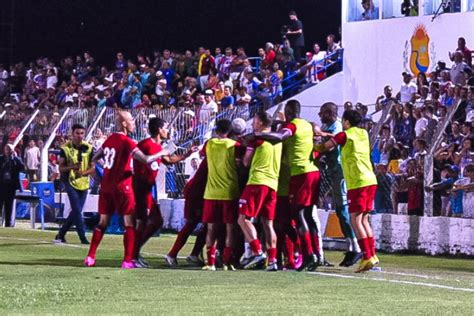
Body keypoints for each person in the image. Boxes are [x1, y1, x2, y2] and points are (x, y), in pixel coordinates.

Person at [84, 111, 169, 269]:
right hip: (123, 187)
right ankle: (128, 260)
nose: (134, 123)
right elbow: (145, 159)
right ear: (124, 123)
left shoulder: (110, 139)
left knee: (102, 223)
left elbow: (95, 157)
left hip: (106, 186)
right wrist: (162, 152)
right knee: (129, 224)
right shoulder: (127, 141)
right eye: (131, 120)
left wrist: (107, 168)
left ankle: (90, 257)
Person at [256, 100, 321, 271]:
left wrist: (258, 135)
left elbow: (280, 137)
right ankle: (315, 254)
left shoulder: (293, 126)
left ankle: (308, 255)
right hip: (313, 171)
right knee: (307, 216)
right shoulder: (307, 125)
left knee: (298, 216)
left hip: (301, 174)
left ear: (290, 111)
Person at [315, 110, 379, 273]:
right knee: (364, 219)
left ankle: (366, 256)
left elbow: (325, 147)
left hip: (357, 181)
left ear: (346, 122)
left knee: (355, 219)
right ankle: (372, 255)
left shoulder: (345, 135)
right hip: (370, 179)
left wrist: (313, 143)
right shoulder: (363, 133)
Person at [133, 117, 197, 267]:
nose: (168, 130)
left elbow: (167, 160)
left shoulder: (155, 146)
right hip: (140, 188)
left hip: (147, 188)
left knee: (156, 221)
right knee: (143, 222)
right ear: (159, 130)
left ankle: (134, 253)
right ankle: (132, 256)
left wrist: (186, 155)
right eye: (166, 127)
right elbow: (159, 157)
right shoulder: (148, 145)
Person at [317, 103, 362, 267]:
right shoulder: (326, 125)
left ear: (330, 113)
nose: (319, 114)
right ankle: (351, 246)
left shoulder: (336, 126)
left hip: (340, 171)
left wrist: (319, 141)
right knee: (339, 210)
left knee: (343, 210)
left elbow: (333, 143)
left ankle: (356, 248)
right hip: (333, 171)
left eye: (322, 112)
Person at [237, 112, 282, 271]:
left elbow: (246, 162)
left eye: (255, 122)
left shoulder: (256, 139)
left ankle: (257, 251)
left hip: (257, 181)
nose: (252, 125)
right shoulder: (277, 140)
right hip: (273, 183)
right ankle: (273, 260)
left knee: (243, 218)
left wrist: (245, 149)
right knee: (268, 224)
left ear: (262, 123)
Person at [201, 119, 245, 271]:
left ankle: (210, 262)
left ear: (216, 130)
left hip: (211, 192)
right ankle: (227, 262)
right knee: (230, 228)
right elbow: (241, 165)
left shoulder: (209, 144)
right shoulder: (235, 146)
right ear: (231, 131)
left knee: (211, 228)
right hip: (229, 191)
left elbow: (203, 156)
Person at [54, 124, 94, 244]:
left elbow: (93, 167)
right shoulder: (65, 148)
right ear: (72, 133)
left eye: (82, 133)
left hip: (84, 182)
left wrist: (84, 172)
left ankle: (61, 234)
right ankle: (83, 237)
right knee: (77, 210)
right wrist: (72, 167)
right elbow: (61, 168)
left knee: (76, 211)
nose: (80, 136)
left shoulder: (89, 148)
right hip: (69, 182)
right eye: (77, 133)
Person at [166, 158, 208, 266]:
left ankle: (194, 255)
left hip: (205, 193)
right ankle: (172, 254)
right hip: (196, 193)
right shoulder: (213, 153)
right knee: (191, 223)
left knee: (209, 225)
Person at [0, 144, 24, 227]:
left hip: (11, 186)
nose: (7, 151)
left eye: (9, 149)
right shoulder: (1, 159)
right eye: (6, 149)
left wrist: (16, 157)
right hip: (1, 185)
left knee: (8, 206)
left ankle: (8, 224)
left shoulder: (15, 159)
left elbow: (22, 167)